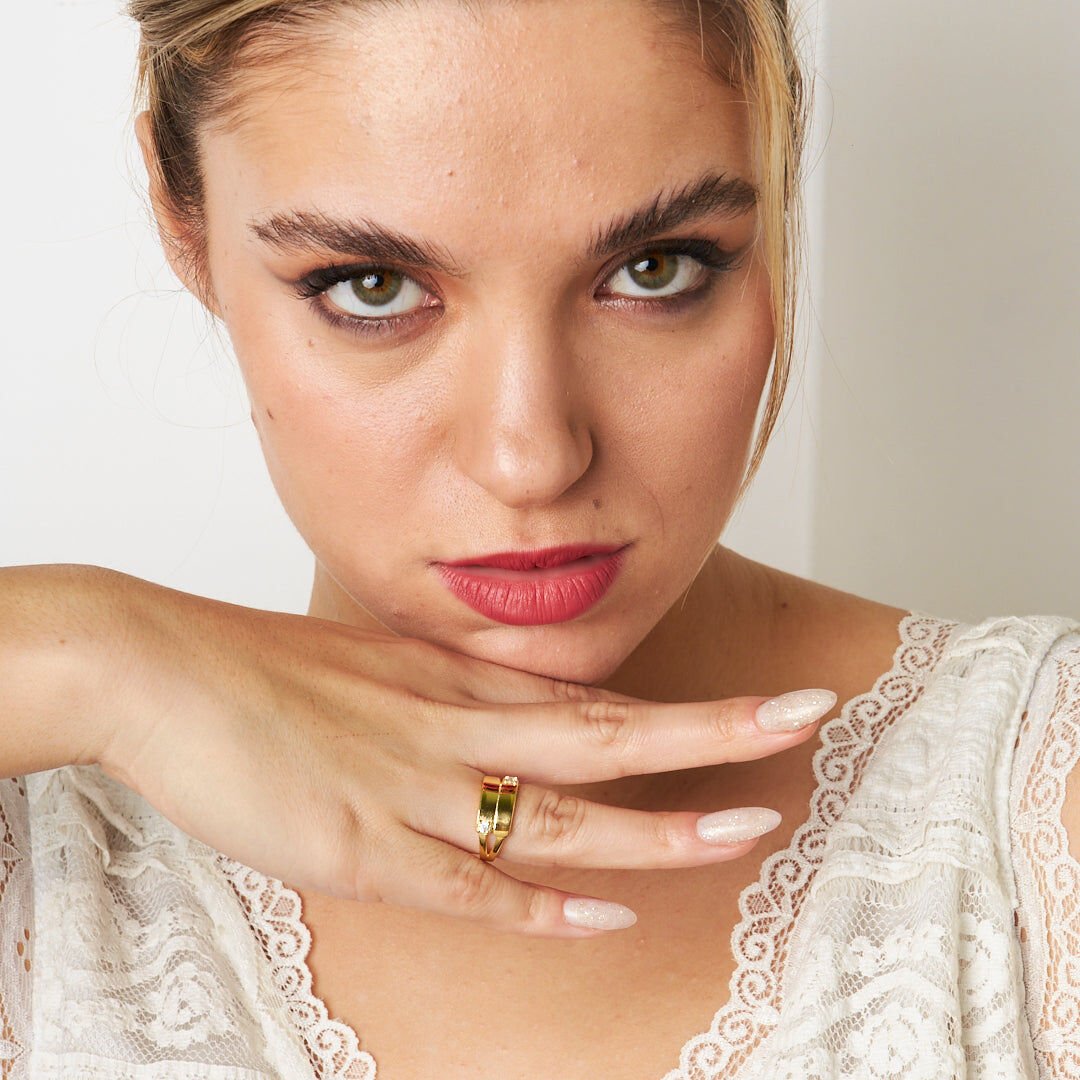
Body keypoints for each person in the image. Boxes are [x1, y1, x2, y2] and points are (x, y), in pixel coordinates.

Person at [1, 0, 1077, 1077]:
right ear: (183, 223)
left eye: (656, 268)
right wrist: (93, 654)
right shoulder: (39, 862)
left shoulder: (1032, 811)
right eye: (374, 287)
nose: (533, 459)